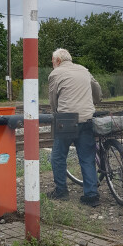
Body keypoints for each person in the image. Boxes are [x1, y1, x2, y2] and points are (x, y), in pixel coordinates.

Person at [47, 48, 102, 207]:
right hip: (87, 118)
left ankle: (61, 191)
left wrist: (56, 113)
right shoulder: (84, 70)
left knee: (58, 156)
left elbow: (53, 100)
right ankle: (91, 195)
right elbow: (96, 89)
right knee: (87, 157)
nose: (52, 64)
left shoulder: (55, 74)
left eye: (52, 61)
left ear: (58, 61)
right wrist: (96, 101)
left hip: (67, 119)